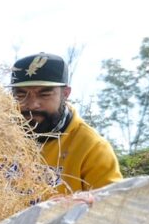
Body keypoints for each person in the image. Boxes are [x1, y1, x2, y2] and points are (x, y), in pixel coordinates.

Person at [11, 52, 122, 195]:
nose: (32, 105)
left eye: (44, 94)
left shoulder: (92, 148)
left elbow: (111, 208)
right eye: (21, 95)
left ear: (65, 94)